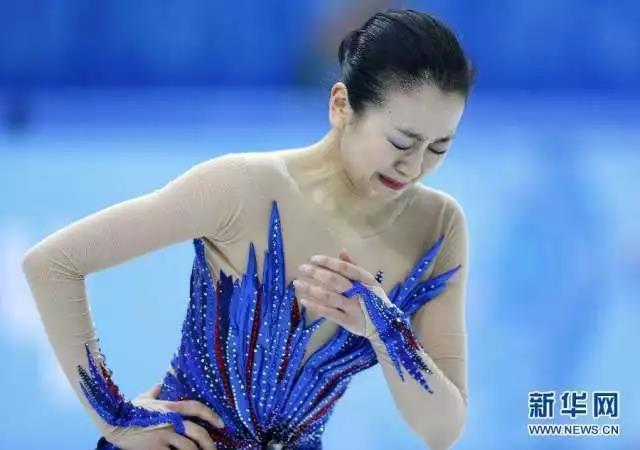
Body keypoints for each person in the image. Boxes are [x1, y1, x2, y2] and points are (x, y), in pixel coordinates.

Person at [22, 8, 475, 450]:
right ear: (341, 105)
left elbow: (442, 431)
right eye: (401, 142)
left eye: (439, 148)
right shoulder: (241, 187)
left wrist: (385, 328)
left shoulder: (437, 227)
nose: (415, 166)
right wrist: (116, 417)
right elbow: (53, 263)